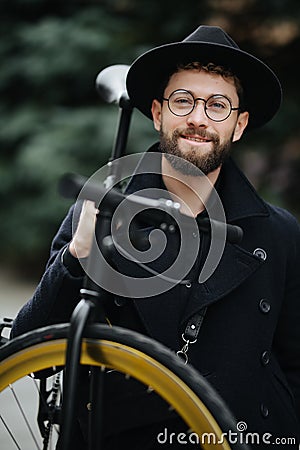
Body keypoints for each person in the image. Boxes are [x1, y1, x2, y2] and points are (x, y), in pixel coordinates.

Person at [11, 25, 300, 449]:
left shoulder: (279, 234)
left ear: (239, 125)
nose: (198, 118)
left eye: (217, 105)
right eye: (183, 100)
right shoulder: (99, 213)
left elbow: (295, 367)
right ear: (158, 112)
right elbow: (29, 349)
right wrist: (79, 255)